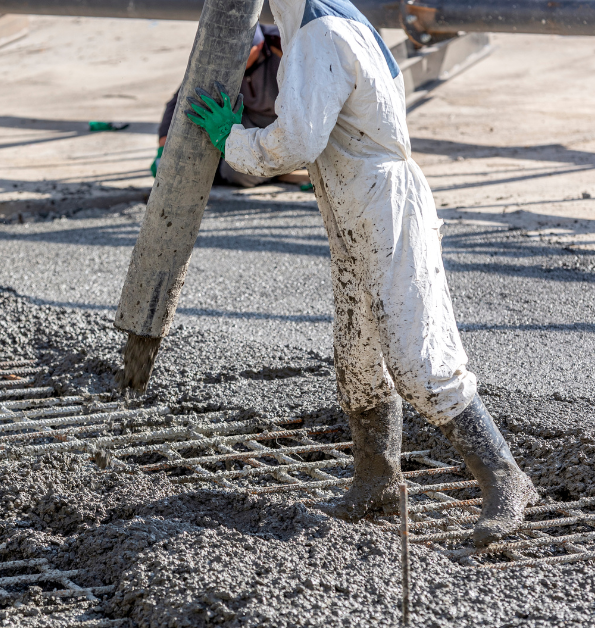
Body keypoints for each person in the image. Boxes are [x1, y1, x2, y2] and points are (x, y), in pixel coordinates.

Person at [186, 0, 538, 546]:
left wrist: (234, 139)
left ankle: (505, 478)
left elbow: (298, 143)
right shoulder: (324, 21)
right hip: (358, 207)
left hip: (385, 209)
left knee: (417, 357)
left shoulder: (320, 35)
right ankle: (375, 478)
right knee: (359, 355)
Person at [155, 25, 308, 187]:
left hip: (288, 122)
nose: (237, 60)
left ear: (260, 45)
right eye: (232, 54)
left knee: (240, 174)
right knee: (207, 139)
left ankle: (280, 166)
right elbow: (185, 96)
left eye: (244, 53)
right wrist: (164, 146)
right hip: (246, 118)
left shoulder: (284, 47)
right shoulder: (223, 60)